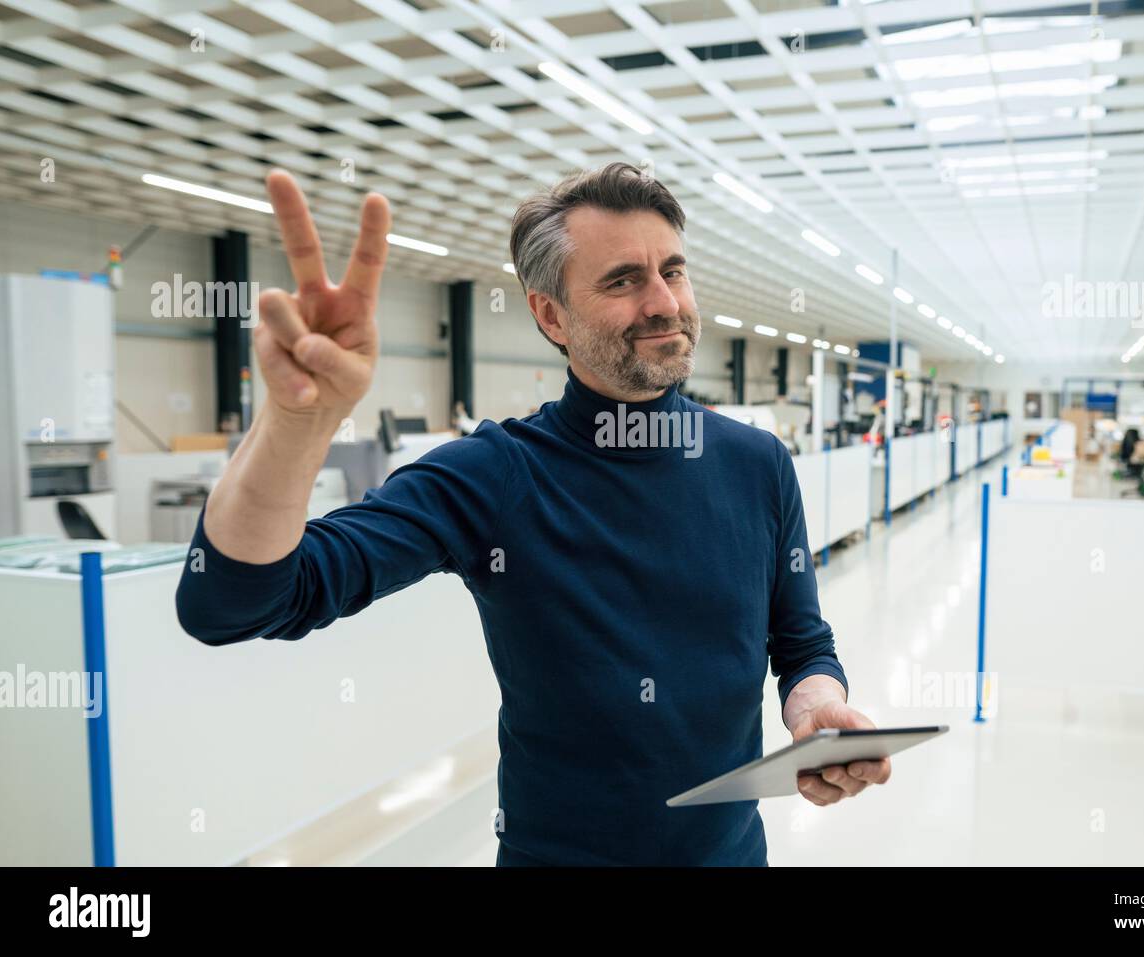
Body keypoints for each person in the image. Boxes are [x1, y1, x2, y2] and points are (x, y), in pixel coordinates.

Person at [175, 162, 890, 867]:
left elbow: (801, 642)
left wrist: (814, 708)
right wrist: (297, 424)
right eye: (622, 281)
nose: (663, 302)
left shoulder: (758, 463)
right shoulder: (496, 474)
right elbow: (233, 603)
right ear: (551, 314)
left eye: (672, 271)